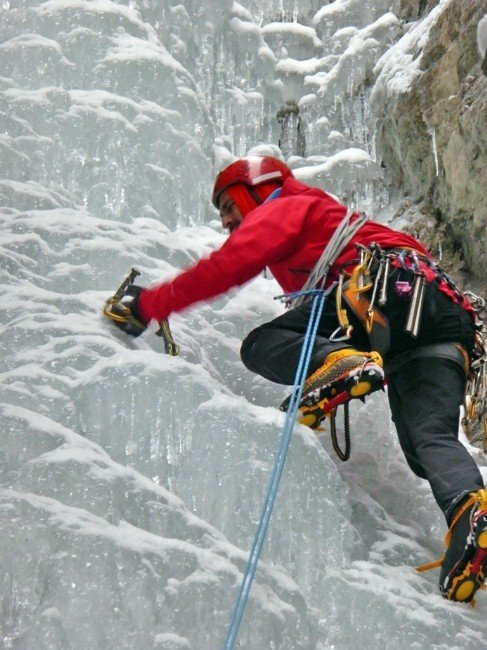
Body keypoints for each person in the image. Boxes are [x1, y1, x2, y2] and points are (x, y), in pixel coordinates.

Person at [110, 155, 486, 604]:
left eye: (229, 204)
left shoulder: (287, 202)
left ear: (258, 188)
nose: (226, 219)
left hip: (383, 290)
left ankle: (341, 363)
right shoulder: (315, 216)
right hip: (439, 316)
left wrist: (150, 304)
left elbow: (228, 266)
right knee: (427, 441)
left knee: (263, 344)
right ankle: (472, 515)